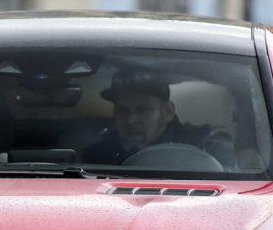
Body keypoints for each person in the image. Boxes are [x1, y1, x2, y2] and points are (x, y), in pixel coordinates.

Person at [82, 69, 234, 168]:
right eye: (123, 111)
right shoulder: (101, 153)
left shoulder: (205, 144)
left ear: (168, 112)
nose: (130, 120)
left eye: (143, 110)